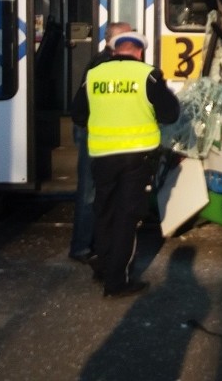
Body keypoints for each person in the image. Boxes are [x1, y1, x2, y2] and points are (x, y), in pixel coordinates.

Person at [71, 31, 180, 298]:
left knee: (105, 211)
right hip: (136, 156)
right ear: (139, 52)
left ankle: (104, 267)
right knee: (126, 217)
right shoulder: (147, 75)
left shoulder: (94, 75)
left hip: (102, 156)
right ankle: (117, 281)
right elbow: (170, 113)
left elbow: (78, 115)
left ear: (115, 50)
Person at [69, 22, 133, 265]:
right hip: (93, 135)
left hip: (94, 133)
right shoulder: (104, 64)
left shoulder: (102, 61)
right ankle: (82, 247)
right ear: (114, 39)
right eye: (129, 35)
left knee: (94, 190)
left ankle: (90, 243)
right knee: (89, 192)